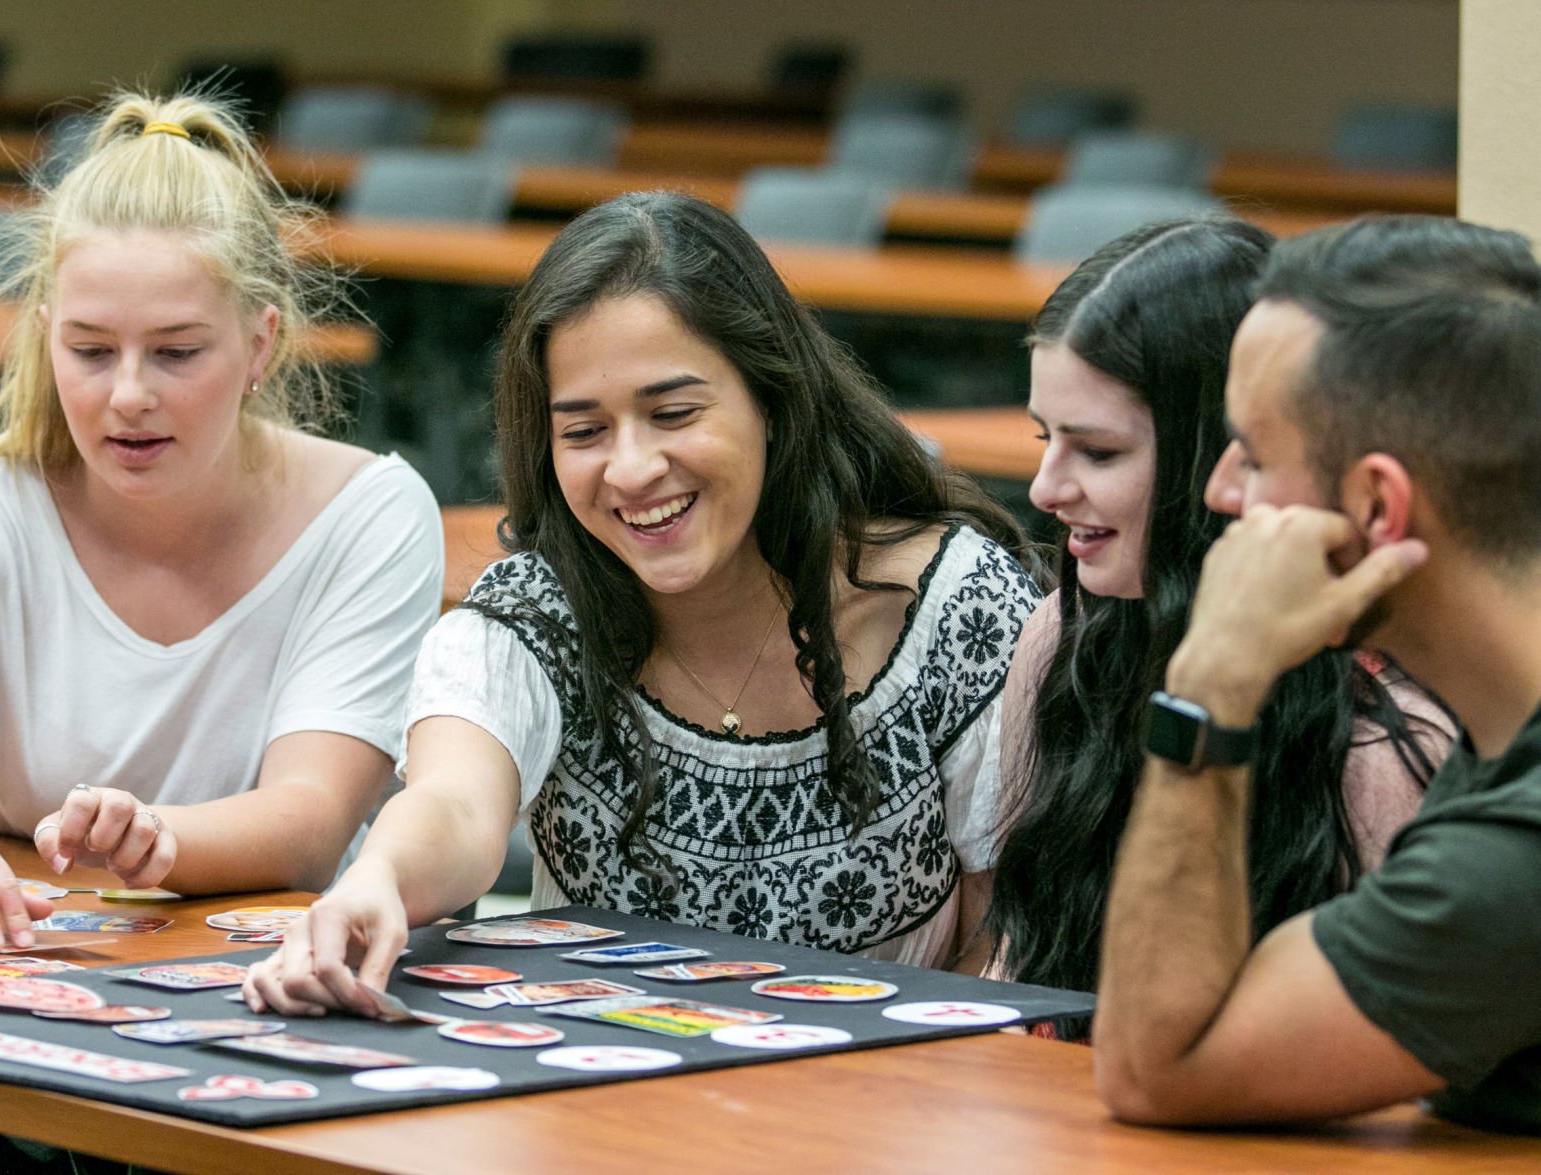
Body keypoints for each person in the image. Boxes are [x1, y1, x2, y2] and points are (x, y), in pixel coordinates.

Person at [246, 190, 1040, 1015]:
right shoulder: (533, 613)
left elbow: (1007, 931)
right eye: (583, 432)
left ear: (771, 396)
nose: (630, 470)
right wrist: (376, 878)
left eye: (673, 413)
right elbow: (453, 801)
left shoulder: (958, 610)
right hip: (598, 1112)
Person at [0, 90, 440, 952]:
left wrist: (159, 837)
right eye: (90, 351)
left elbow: (310, 818)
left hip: (258, 986)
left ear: (260, 344)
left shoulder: (369, 515)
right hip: (14, 966)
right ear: (46, 332)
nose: (128, 396)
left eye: (177, 352)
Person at [1094, 215, 1541, 1134]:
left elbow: (1156, 1067)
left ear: (1376, 504)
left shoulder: (1518, 857)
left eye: (1252, 455)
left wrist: (1210, 686)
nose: (1219, 491)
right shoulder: (1505, 731)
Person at [985, 218, 1449, 1019]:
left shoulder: (1385, 743)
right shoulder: (1064, 635)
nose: (1043, 488)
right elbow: (1012, 964)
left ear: (1222, 458)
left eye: (1096, 451)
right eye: (1042, 438)